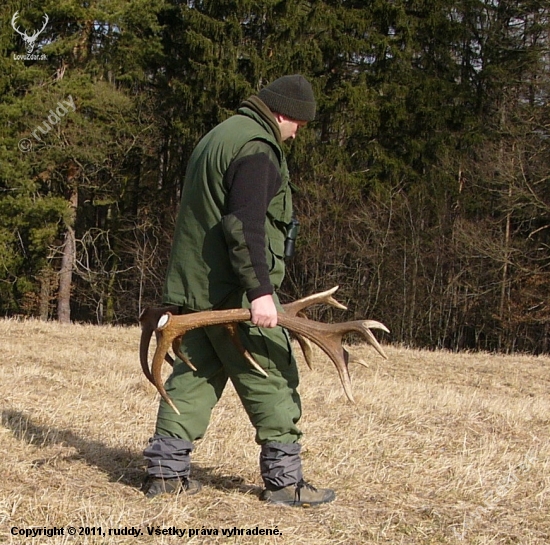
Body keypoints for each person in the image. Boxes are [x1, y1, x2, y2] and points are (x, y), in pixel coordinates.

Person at [143, 75, 335, 507]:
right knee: (271, 374)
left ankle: (165, 474)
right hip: (236, 294)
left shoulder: (219, 135)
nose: (298, 131)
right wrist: (261, 292)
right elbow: (243, 224)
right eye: (299, 122)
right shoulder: (257, 148)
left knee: (194, 376)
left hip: (196, 291)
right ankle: (285, 484)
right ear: (283, 113)